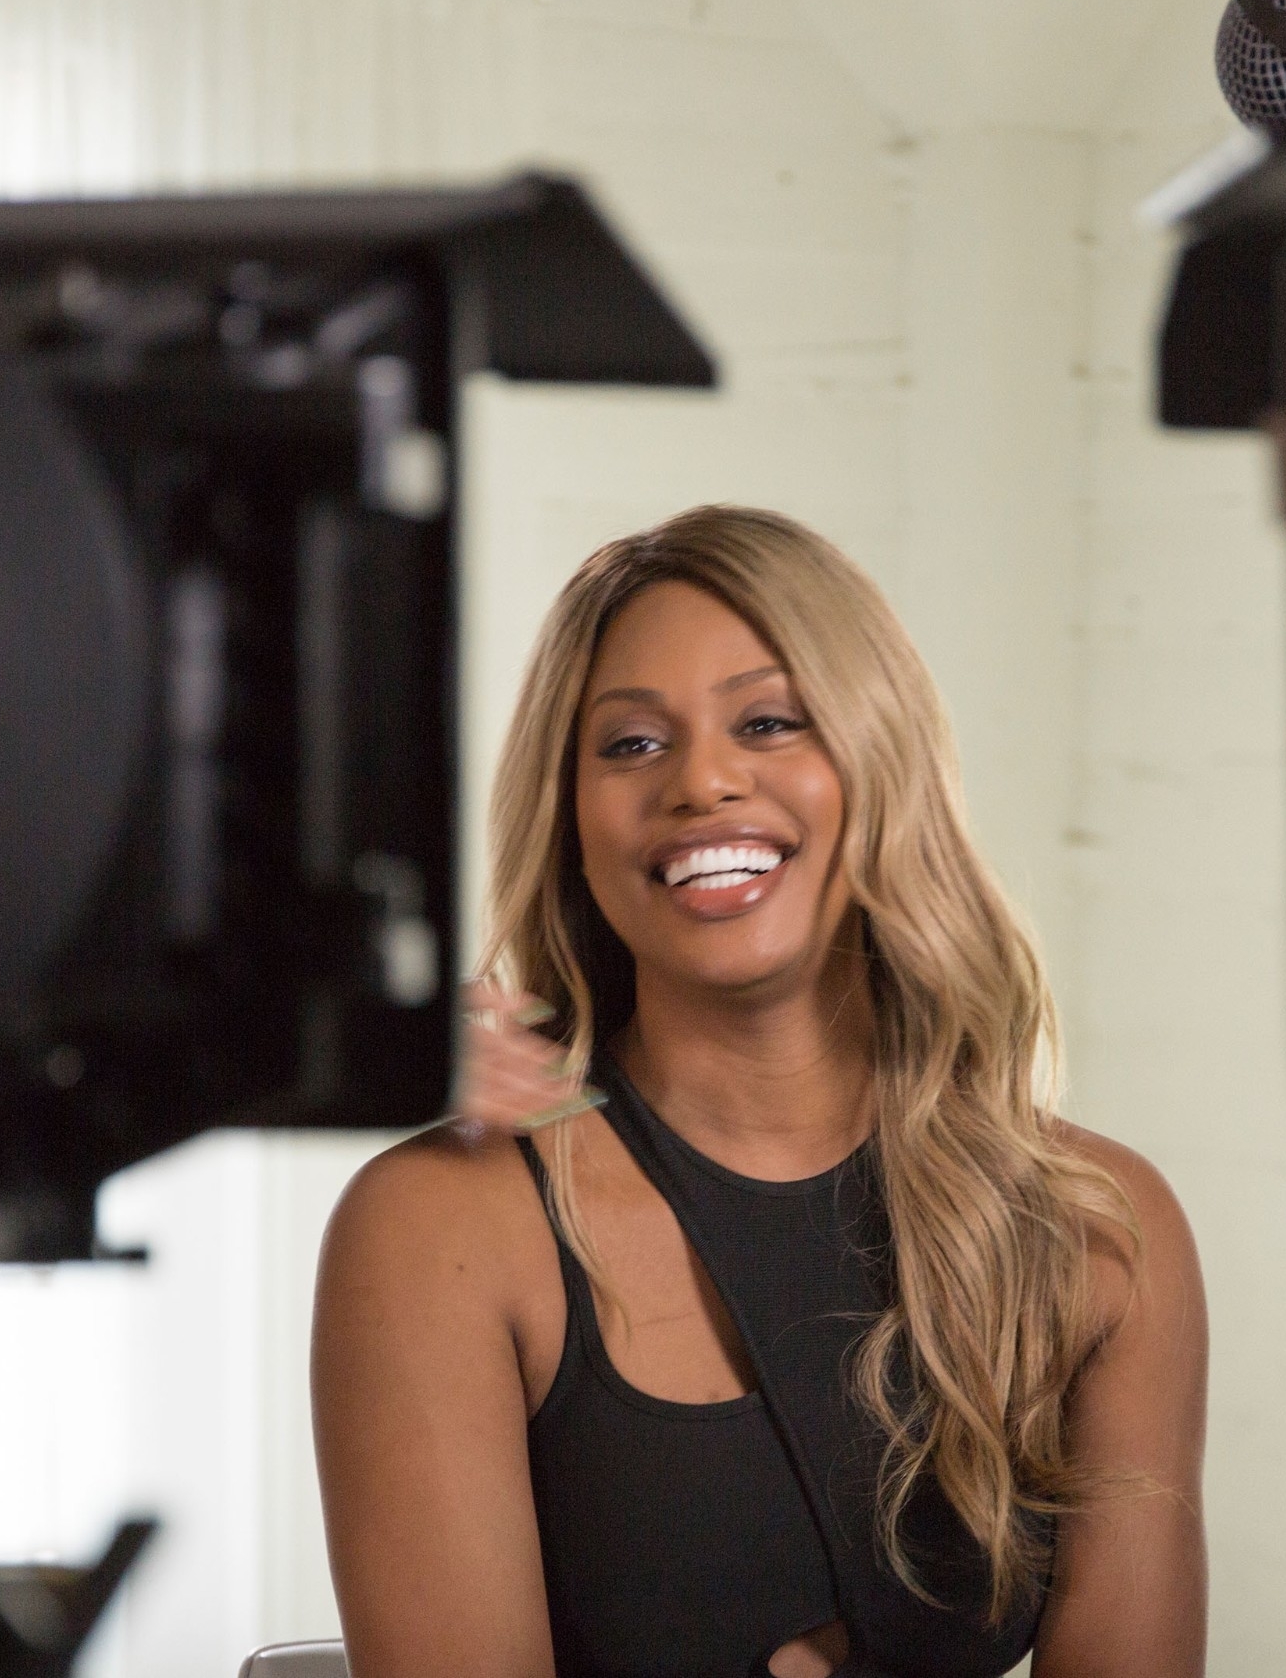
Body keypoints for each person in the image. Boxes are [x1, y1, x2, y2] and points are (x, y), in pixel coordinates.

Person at [313, 506, 1206, 1678]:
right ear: (572, 818)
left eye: (770, 721)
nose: (704, 781)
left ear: (877, 767)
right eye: (631, 744)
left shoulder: (1099, 1233)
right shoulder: (441, 1228)